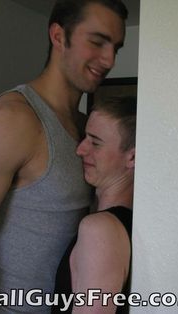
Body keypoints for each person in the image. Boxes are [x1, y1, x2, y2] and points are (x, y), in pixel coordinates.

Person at [0, 0, 128, 313]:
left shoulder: (87, 128)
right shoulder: (12, 119)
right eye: (97, 42)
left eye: (116, 47)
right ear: (59, 36)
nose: (109, 59)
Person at [52, 96, 136, 313]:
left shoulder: (100, 229)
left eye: (95, 142)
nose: (80, 150)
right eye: (84, 138)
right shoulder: (124, 224)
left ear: (132, 157)